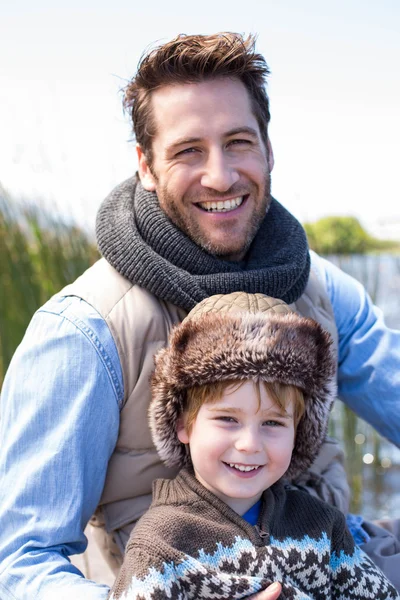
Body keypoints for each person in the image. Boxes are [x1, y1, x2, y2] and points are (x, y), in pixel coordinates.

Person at [0, 32, 399, 600]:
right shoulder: (82, 332)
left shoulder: (325, 289)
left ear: (268, 150)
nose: (220, 176)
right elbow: (20, 563)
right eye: (189, 150)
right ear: (145, 165)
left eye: (238, 142)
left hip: (332, 560)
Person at [109, 292, 399, 600]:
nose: (249, 444)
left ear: (299, 432)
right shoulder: (161, 547)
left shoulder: (322, 526)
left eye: (272, 423)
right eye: (227, 419)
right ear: (183, 424)